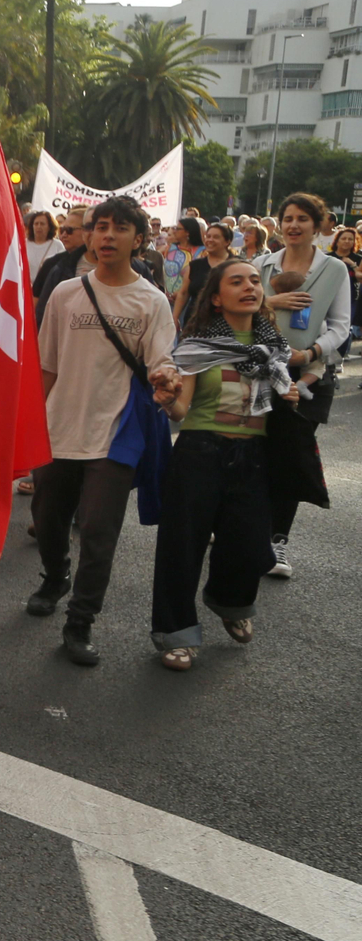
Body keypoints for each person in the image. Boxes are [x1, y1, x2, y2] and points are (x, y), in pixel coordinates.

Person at [25, 196, 176, 665]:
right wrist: (31, 426)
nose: (107, 235)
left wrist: (165, 378)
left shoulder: (151, 301)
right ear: (89, 235)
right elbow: (45, 365)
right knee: (48, 519)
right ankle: (55, 576)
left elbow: (162, 360)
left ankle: (80, 622)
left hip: (117, 432)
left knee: (98, 529)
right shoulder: (67, 293)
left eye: (120, 228)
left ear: (139, 238)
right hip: (59, 426)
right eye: (100, 227)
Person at [150, 257, 298, 671]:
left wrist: (289, 397)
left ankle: (230, 601)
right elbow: (181, 408)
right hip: (201, 452)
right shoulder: (198, 346)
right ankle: (175, 634)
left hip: (254, 457)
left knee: (251, 545)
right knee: (183, 546)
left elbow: (282, 401)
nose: (250, 286)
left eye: (255, 280)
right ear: (216, 298)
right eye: (237, 282)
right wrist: (167, 398)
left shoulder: (273, 347)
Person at [253, 192, 349, 578]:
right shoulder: (261, 264)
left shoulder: (334, 269)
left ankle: (276, 540)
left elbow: (341, 326)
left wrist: (309, 353)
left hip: (307, 373)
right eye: (288, 218)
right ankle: (247, 531)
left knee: (290, 456)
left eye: (302, 219)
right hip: (259, 370)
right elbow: (237, 309)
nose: (293, 225)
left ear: (317, 225)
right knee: (254, 453)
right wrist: (272, 304)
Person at [178, 222, 236, 327]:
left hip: (228, 323)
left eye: (216, 237)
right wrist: (174, 317)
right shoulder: (195, 266)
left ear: (227, 242)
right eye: (208, 236)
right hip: (195, 323)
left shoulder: (238, 265)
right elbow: (183, 293)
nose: (210, 240)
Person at [160, 216, 201, 302]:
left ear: (187, 232)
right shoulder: (171, 248)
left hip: (189, 301)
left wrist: (180, 293)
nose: (174, 231)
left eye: (178, 229)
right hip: (167, 299)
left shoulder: (201, 252)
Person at [23, 211, 61, 285]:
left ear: (50, 226)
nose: (39, 227)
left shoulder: (57, 245)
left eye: (42, 224)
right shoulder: (23, 244)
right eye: (36, 224)